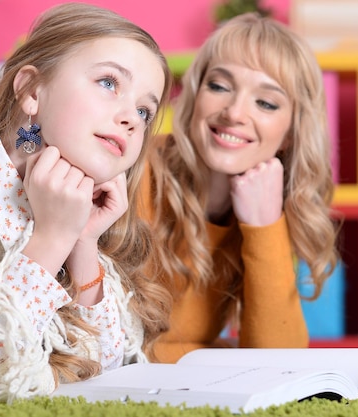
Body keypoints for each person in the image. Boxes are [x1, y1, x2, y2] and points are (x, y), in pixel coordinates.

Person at [0, 3, 172, 401]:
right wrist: (52, 239)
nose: (132, 118)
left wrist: (82, 241)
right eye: (108, 82)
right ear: (31, 91)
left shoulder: (72, 208)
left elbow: (108, 371)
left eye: (144, 110)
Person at [140, 13, 339, 363]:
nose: (234, 113)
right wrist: (205, 354)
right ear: (195, 94)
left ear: (291, 132)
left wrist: (263, 227)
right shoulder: (134, 170)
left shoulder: (268, 207)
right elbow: (111, 346)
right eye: (219, 86)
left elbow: (279, 360)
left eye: (265, 102)